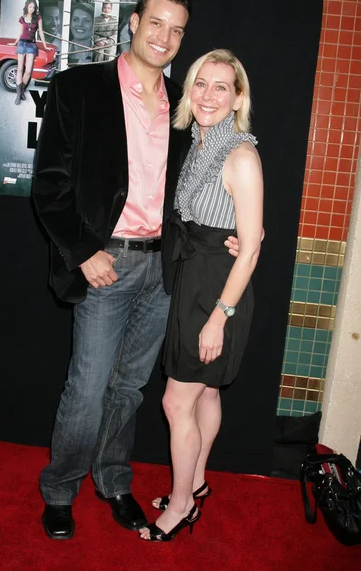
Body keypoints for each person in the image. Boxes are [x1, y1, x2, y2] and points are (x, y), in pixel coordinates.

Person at [32, 0, 192, 541]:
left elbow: (192, 190)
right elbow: (49, 186)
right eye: (156, 24)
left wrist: (240, 231)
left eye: (176, 30)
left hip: (162, 271)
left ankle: (114, 481)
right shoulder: (78, 89)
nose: (165, 38)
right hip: (107, 263)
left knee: (129, 388)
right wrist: (83, 252)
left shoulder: (183, 106)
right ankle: (60, 488)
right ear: (132, 21)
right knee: (89, 386)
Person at [139, 49, 264, 542]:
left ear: (238, 99)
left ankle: (182, 503)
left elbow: (249, 247)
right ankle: (195, 481)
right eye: (201, 84)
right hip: (195, 276)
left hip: (216, 291)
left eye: (221, 87)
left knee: (175, 402)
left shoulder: (240, 154)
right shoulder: (199, 142)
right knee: (206, 390)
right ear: (189, 91)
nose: (209, 95)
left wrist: (219, 316)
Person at [8, 0, 51, 105]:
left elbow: (40, 32)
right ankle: (19, 95)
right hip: (22, 44)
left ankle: (21, 90)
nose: (32, 9)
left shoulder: (38, 18)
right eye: (30, 6)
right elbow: (20, 32)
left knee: (28, 70)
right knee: (19, 69)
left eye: (33, 7)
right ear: (27, 6)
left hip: (31, 45)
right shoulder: (22, 18)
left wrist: (45, 45)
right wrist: (14, 43)